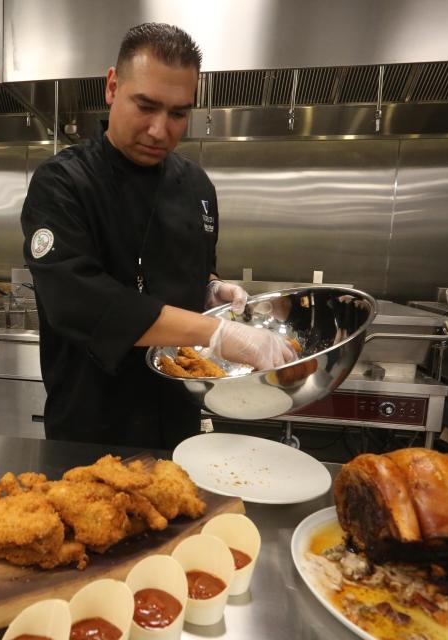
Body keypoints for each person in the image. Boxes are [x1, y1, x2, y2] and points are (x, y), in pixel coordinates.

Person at [20, 23, 296, 449]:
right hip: (90, 425)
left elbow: (186, 268)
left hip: (179, 421)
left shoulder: (196, 185)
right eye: (145, 106)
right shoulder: (63, 183)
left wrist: (210, 290)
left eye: (178, 113)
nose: (159, 130)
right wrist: (217, 334)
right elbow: (79, 301)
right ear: (112, 86)